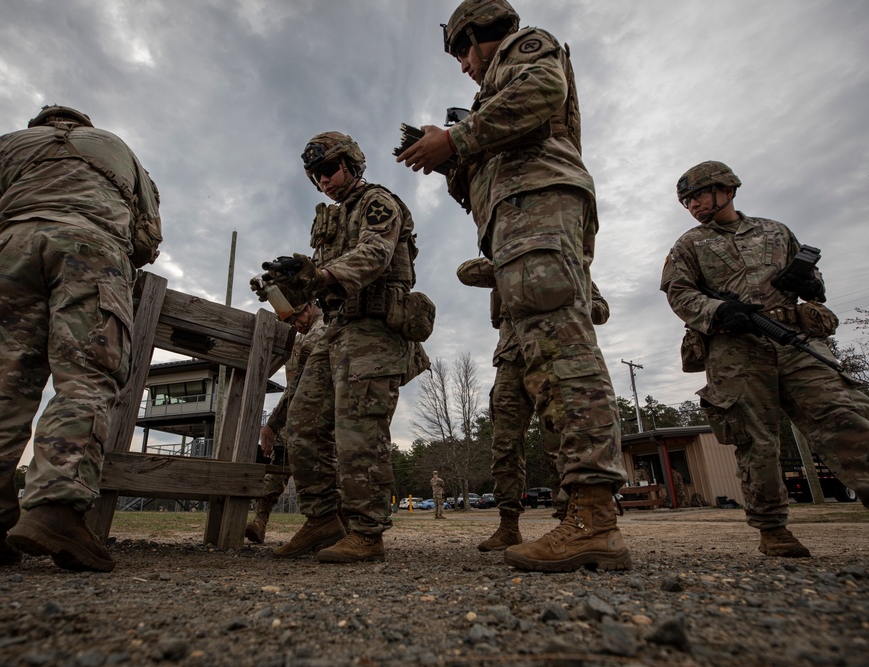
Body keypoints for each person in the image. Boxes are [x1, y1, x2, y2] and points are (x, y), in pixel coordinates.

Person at [397, 0, 631, 572]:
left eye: (461, 52)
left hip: (537, 209)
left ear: (479, 36)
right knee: (548, 361)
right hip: (517, 217)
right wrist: (457, 163)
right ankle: (585, 514)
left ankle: (594, 519)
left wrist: (455, 139)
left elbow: (541, 95)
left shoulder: (524, 48)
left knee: (563, 352)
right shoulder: (491, 90)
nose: (463, 67)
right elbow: (493, 161)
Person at [0, 105, 162, 572]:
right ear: (85, 124)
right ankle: (55, 510)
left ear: (38, 123)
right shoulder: (121, 151)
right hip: (91, 246)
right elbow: (147, 236)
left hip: (12, 250)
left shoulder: (1, 146)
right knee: (84, 378)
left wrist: (8, 251)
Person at [660, 160, 869, 558]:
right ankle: (773, 529)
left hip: (794, 339)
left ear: (727, 189)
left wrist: (810, 283)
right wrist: (718, 311)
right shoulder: (688, 244)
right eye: (686, 200)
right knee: (754, 439)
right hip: (735, 346)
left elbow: (816, 286)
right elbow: (679, 294)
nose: (692, 205)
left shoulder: (776, 231)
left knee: (841, 416)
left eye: (699, 194)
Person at [254, 131, 429, 563]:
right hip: (334, 329)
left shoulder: (378, 203)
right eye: (315, 176)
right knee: (302, 423)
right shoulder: (331, 219)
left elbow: (374, 256)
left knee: (360, 433)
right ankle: (321, 520)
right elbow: (318, 285)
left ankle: (367, 533)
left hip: (373, 329)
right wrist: (286, 286)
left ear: (351, 164)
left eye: (329, 170)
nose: (323, 181)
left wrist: (321, 275)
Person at [456, 258, 611, 550]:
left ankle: (570, 521)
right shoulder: (505, 267)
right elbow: (465, 272)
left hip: (551, 355)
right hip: (510, 363)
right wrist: (507, 257)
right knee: (504, 447)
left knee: (558, 444)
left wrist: (562, 295)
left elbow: (601, 311)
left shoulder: (565, 263)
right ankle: (508, 526)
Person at [246, 301, 326, 544]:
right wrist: (276, 423)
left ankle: (326, 525)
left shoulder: (324, 328)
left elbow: (304, 381)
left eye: (295, 319)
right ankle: (260, 520)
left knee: (322, 472)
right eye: (289, 322)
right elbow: (294, 386)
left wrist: (273, 422)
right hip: (295, 412)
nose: (295, 326)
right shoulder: (300, 338)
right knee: (277, 464)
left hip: (322, 416)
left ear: (309, 307)